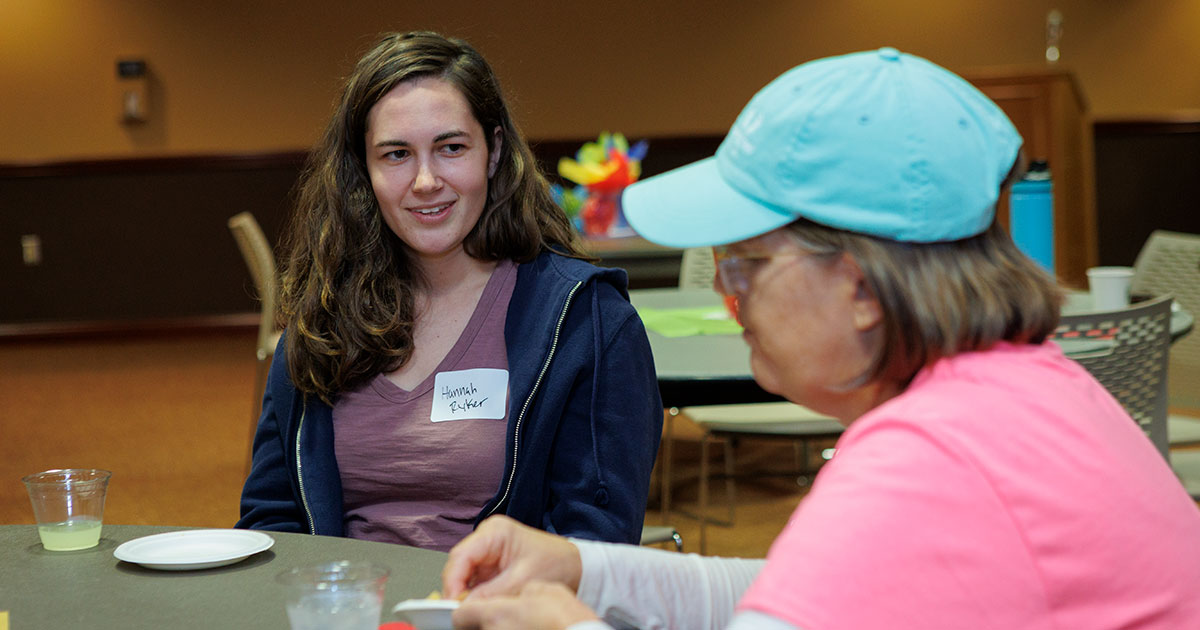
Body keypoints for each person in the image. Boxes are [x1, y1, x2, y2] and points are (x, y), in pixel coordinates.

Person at [439, 48, 1200, 629]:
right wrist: (584, 571)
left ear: (862, 288)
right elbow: (807, 591)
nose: (730, 297)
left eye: (747, 263)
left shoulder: (932, 456)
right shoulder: (1025, 387)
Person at [236, 31, 662, 552]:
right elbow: (272, 518)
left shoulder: (586, 321)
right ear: (363, 170)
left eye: (451, 148)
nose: (425, 181)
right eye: (396, 154)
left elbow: (593, 541)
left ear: (494, 150)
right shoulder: (325, 317)